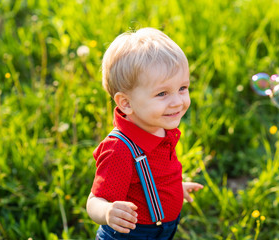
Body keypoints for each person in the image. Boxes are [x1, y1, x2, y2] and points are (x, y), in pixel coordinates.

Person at [86, 27, 203, 240]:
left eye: (183, 88)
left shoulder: (159, 126)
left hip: (163, 228)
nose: (177, 101)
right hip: (132, 234)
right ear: (126, 103)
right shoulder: (119, 149)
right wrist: (107, 212)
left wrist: (175, 189)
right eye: (162, 93)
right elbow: (94, 201)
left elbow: (152, 176)